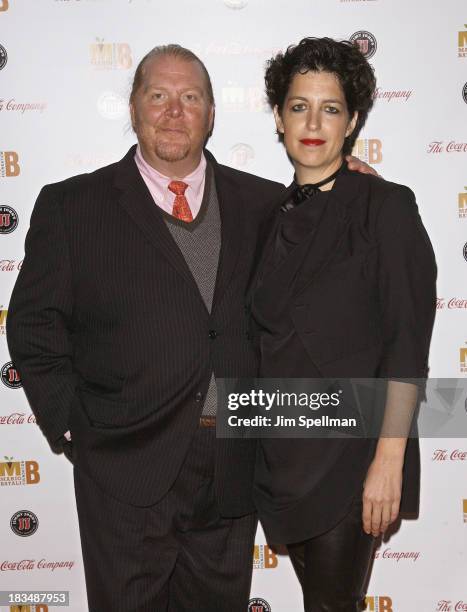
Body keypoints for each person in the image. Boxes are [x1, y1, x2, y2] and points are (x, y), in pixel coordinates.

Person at [7, 43, 373, 611]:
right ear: (134, 108)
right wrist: (75, 426)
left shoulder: (265, 204)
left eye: (190, 97)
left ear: (211, 114)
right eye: (159, 96)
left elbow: (328, 276)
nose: (174, 112)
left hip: (230, 471)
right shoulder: (71, 207)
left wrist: (355, 192)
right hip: (124, 469)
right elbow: (32, 327)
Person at [249, 37, 437, 611]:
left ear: (352, 121)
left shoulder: (385, 207)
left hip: (351, 459)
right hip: (281, 458)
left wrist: (388, 461)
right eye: (299, 106)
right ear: (279, 118)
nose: (313, 122)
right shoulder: (265, 215)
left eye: (330, 108)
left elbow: (408, 343)